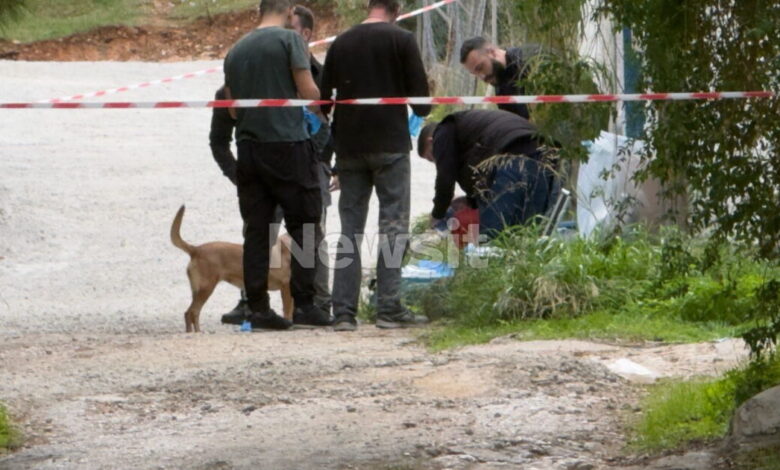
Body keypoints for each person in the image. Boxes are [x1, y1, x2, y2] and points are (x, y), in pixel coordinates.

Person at [320, 0, 431, 331]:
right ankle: (388, 308)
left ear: (369, 7)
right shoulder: (402, 40)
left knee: (350, 230)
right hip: (390, 147)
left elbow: (323, 101)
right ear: (395, 10)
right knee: (393, 226)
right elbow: (423, 105)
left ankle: (342, 313)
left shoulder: (341, 42)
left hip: (350, 149)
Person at [223, 0, 331, 330]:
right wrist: (324, 103)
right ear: (286, 11)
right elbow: (308, 91)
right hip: (288, 145)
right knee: (306, 225)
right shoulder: (290, 40)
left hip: (249, 148)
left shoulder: (236, 50)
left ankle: (257, 308)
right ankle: (304, 305)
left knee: (257, 231)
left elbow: (232, 111)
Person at [417, 109, 559, 240]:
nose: (437, 161)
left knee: (491, 237)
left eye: (432, 156)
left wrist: (437, 215)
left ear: (431, 140)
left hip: (513, 155)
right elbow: (477, 169)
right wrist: (471, 201)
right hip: (545, 156)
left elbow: (445, 178)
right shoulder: (468, 129)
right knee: (527, 233)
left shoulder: (443, 131)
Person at [459, 36, 543, 120]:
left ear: (492, 52)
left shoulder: (532, 59)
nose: (482, 77)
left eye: (480, 68)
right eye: (475, 74)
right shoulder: (499, 84)